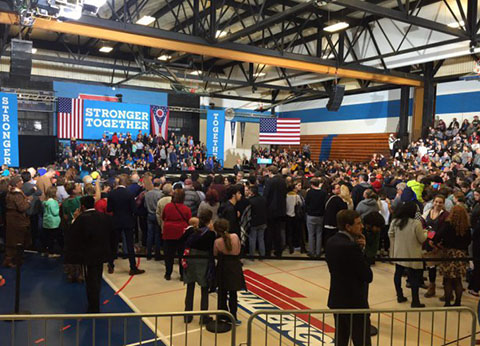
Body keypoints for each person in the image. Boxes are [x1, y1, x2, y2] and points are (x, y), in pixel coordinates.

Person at [325, 209, 372, 346]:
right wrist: (362, 252)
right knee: (361, 340)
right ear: (348, 227)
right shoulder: (351, 247)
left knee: (341, 339)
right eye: (358, 223)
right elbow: (367, 275)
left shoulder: (331, 241)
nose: (362, 226)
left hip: (337, 299)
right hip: (354, 303)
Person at [65, 196, 114, 313]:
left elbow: (73, 236)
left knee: (91, 280)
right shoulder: (104, 217)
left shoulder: (82, 219)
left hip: (88, 254)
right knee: (97, 278)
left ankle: (93, 306)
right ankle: (95, 302)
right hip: (102, 252)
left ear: (82, 206)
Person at [388, 202, 427, 307]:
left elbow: (390, 234)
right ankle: (415, 301)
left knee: (398, 274)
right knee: (414, 278)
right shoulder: (416, 223)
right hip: (412, 254)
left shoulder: (395, 221)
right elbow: (422, 239)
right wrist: (426, 233)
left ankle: (399, 296)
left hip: (399, 253)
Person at [107, 175, 145, 276]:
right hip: (128, 221)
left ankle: (110, 265)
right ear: (126, 183)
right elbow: (134, 210)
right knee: (129, 245)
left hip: (116, 221)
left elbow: (109, 209)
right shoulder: (129, 194)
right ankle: (132, 267)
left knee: (114, 244)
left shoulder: (112, 193)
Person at [182, 210, 216, 324]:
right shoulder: (210, 234)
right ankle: (204, 317)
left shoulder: (191, 231)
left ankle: (187, 315)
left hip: (191, 259)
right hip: (204, 261)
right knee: (204, 289)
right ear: (209, 220)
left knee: (190, 287)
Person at [434, 206, 471, 306]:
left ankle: (447, 302)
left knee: (448, 280)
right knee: (458, 280)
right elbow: (468, 241)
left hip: (449, 254)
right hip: (461, 254)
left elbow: (437, 236)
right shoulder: (466, 227)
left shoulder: (448, 225)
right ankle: (458, 302)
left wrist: (439, 245)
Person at [213, 218, 246, 325]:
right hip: (235, 266)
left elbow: (215, 254)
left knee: (222, 293)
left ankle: (223, 316)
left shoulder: (217, 242)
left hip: (223, 267)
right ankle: (234, 317)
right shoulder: (235, 237)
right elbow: (239, 250)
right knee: (233, 294)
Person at [423, 194, 449, 298]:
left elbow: (446, 230)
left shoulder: (446, 215)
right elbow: (423, 226)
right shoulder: (427, 213)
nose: (438, 204)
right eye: (436, 202)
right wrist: (430, 238)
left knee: (444, 268)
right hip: (429, 244)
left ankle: (447, 292)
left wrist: (437, 241)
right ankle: (431, 287)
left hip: (441, 245)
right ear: (433, 202)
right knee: (431, 267)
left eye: (440, 202)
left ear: (443, 204)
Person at [162, 188, 191, 281]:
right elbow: (189, 219)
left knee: (168, 255)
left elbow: (163, 217)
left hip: (168, 232)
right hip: (181, 233)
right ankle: (182, 275)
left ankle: (168, 274)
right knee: (182, 255)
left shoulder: (167, 206)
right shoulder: (186, 209)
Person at [3, 176, 31, 268]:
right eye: (20, 181)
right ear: (16, 183)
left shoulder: (10, 193)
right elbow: (22, 207)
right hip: (17, 220)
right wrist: (28, 202)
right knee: (15, 239)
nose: (22, 183)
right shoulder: (16, 194)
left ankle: (15, 257)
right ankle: (9, 259)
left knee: (14, 239)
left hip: (12, 219)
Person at [263, 166, 287, 257]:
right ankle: (278, 251)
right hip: (281, 210)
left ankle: (268, 251)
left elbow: (266, 196)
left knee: (269, 232)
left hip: (271, 210)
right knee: (278, 231)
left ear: (269, 172)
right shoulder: (282, 181)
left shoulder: (269, 181)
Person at [305, 177, 327, 257]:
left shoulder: (310, 192)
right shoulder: (323, 192)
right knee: (319, 234)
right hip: (320, 215)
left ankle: (311, 251)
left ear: (311, 184)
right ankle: (318, 252)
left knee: (311, 234)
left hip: (311, 215)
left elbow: (306, 203)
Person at [144, 179, 163, 260]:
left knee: (150, 234)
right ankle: (157, 254)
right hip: (157, 215)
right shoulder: (160, 194)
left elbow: (145, 205)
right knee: (157, 235)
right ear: (160, 185)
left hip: (149, 215)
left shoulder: (147, 194)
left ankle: (148, 253)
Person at [247, 185, 267, 257]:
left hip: (254, 222)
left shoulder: (250, 201)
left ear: (252, 192)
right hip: (263, 221)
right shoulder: (263, 199)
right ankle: (262, 254)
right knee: (261, 239)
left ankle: (252, 255)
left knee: (252, 239)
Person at [42, 186, 62, 257]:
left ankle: (45, 251)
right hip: (53, 223)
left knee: (46, 238)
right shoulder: (54, 202)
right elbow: (55, 212)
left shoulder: (45, 202)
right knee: (52, 238)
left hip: (46, 222)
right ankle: (52, 253)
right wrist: (59, 207)